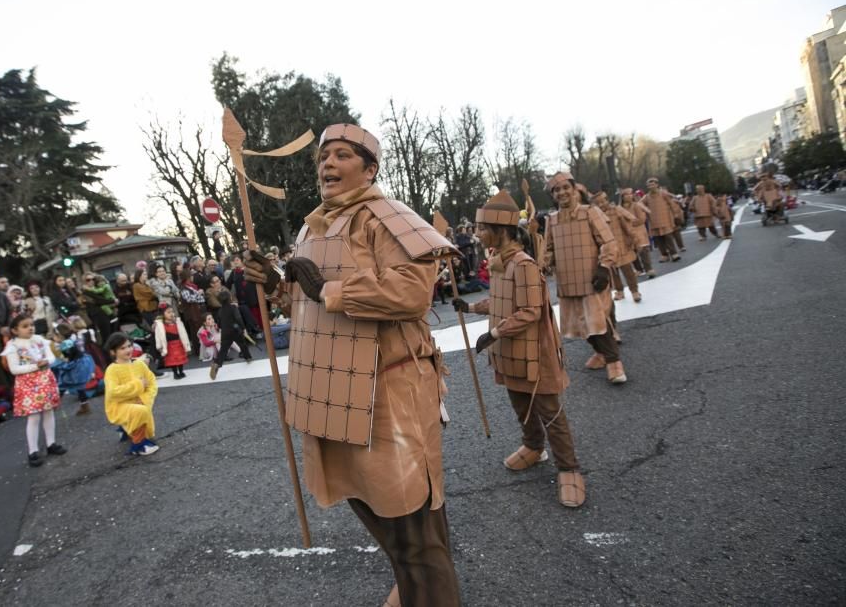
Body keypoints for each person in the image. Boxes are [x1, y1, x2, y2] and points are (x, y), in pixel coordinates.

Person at [243, 123, 460, 606]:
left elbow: (412, 292)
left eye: (342, 155)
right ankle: (414, 581)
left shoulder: (387, 218)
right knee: (377, 508)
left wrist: (330, 290)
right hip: (336, 395)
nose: (327, 164)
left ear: (370, 168)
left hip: (390, 392)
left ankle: (425, 586)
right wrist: (277, 283)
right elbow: (307, 300)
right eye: (323, 156)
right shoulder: (310, 225)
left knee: (411, 517)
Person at [454, 190, 586, 507]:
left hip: (535, 352)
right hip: (510, 352)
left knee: (550, 412)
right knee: (520, 404)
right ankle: (532, 446)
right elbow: (501, 303)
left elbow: (529, 311)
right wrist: (470, 309)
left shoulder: (523, 265)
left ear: (501, 230)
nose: (477, 233)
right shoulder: (499, 263)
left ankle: (569, 469)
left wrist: (494, 333)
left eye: (482, 228)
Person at [545, 172, 626, 384]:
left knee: (598, 323)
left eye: (565, 188)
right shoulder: (551, 221)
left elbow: (609, 242)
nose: (562, 192)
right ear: (553, 195)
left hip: (591, 277)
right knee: (580, 326)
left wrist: (603, 267)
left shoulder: (590, 212)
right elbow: (549, 250)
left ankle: (614, 362)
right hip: (567, 282)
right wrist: (543, 263)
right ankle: (600, 353)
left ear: (573, 189)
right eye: (556, 190)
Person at [1, 314, 65, 467]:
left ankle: (51, 443)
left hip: (44, 380)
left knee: (49, 411)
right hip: (28, 384)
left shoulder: (39, 340)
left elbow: (51, 358)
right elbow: (14, 369)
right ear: (15, 330)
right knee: (34, 416)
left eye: (31, 325)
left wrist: (46, 361)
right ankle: (33, 451)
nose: (30, 328)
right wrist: (36, 366)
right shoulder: (13, 346)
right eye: (25, 326)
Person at [103, 333, 159, 457]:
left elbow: (151, 382)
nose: (128, 350)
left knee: (142, 409)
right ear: (113, 352)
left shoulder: (139, 364)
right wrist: (138, 385)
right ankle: (138, 445)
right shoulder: (112, 370)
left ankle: (125, 429)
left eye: (129, 346)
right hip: (118, 406)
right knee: (140, 411)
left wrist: (145, 399)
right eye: (122, 348)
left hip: (140, 401)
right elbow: (113, 392)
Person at [592, 192, 642, 303]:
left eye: (603, 201)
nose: (601, 204)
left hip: (621, 245)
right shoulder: (595, 216)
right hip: (607, 249)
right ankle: (619, 291)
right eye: (598, 203)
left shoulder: (617, 210)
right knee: (613, 273)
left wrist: (634, 239)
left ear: (607, 200)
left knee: (628, 271)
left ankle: (634, 291)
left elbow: (627, 226)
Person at [52, 324, 98, 415]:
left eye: (54, 336)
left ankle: (53, 405)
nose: (53, 338)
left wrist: (62, 359)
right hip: (81, 363)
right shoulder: (72, 339)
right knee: (79, 386)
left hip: (75, 366)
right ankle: (84, 406)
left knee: (62, 384)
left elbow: (68, 356)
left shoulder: (66, 343)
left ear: (59, 335)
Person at [208, 289, 252, 380]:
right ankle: (248, 357)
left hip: (225, 332)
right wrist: (243, 328)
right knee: (242, 344)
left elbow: (219, 324)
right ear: (229, 298)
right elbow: (239, 318)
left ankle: (217, 364)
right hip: (235, 330)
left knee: (223, 350)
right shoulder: (233, 308)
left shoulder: (220, 311)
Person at [640, 178, 681, 263]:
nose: (651, 186)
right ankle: (664, 255)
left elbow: (671, 204)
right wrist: (646, 209)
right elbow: (639, 204)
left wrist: (676, 214)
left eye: (653, 184)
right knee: (658, 239)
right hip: (653, 221)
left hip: (665, 220)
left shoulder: (663, 194)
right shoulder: (646, 197)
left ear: (657, 185)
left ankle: (674, 254)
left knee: (668, 237)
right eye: (649, 185)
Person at [619, 188, 655, 277]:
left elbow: (642, 219)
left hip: (639, 231)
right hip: (627, 234)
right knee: (632, 252)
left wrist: (629, 224)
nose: (629, 196)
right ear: (622, 197)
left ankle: (649, 269)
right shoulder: (619, 208)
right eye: (626, 195)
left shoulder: (637, 205)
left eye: (630, 194)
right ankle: (638, 269)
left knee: (643, 251)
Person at [154, 306, 190, 380]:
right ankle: (175, 373)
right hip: (169, 345)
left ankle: (181, 371)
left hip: (178, 343)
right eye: (168, 312)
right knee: (172, 360)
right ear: (163, 314)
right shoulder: (160, 325)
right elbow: (158, 336)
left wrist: (186, 342)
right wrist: (159, 346)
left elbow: (183, 333)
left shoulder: (177, 322)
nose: (171, 314)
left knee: (180, 359)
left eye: (172, 312)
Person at [178, 269, 206, 345]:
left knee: (200, 328)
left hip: (197, 310)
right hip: (192, 313)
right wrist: (198, 293)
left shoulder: (192, 286)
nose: (192, 277)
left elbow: (200, 299)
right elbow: (189, 299)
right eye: (191, 275)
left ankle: (203, 346)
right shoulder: (184, 288)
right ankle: (198, 348)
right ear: (188, 277)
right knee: (195, 331)